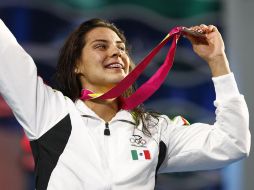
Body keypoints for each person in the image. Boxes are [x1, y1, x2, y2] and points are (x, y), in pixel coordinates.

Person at [0, 18, 251, 190]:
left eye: (121, 48)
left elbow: (233, 143)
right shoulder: (49, 112)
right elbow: (6, 53)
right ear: (76, 64)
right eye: (101, 46)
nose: (116, 52)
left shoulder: (154, 129)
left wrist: (218, 61)